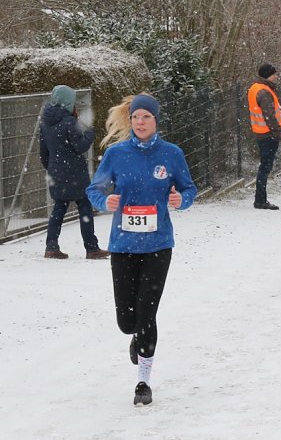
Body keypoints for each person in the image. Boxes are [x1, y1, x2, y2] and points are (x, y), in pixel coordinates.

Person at [86, 94, 197, 406]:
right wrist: (104, 201)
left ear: (156, 120)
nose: (141, 122)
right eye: (136, 117)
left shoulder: (171, 154)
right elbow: (95, 188)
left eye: (146, 117)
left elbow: (189, 188)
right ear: (130, 120)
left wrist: (181, 200)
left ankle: (143, 382)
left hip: (158, 245)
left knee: (147, 314)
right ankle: (135, 336)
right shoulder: (116, 154)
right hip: (122, 246)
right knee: (127, 321)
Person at [39, 85, 108, 259]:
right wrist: (90, 136)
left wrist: (53, 168)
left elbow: (43, 153)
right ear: (68, 101)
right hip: (75, 172)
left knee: (59, 208)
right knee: (84, 206)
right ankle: (92, 248)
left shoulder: (45, 122)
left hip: (56, 172)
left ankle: (51, 247)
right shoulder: (69, 121)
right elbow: (79, 147)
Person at [248, 63, 281, 210]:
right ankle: (260, 200)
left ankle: (260, 198)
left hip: (260, 132)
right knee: (265, 167)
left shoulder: (254, 89)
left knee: (264, 166)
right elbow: (269, 115)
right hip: (268, 134)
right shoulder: (264, 92)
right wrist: (277, 131)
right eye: (274, 74)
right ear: (267, 75)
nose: (276, 76)